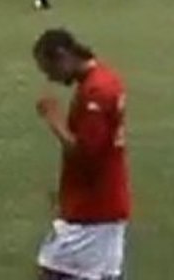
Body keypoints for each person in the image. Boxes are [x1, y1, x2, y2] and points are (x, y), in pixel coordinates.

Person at [32, 28, 130, 280]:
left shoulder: (95, 92)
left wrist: (53, 119)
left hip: (93, 211)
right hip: (101, 203)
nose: (51, 78)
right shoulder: (105, 78)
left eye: (50, 70)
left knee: (53, 271)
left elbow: (87, 154)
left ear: (63, 56)